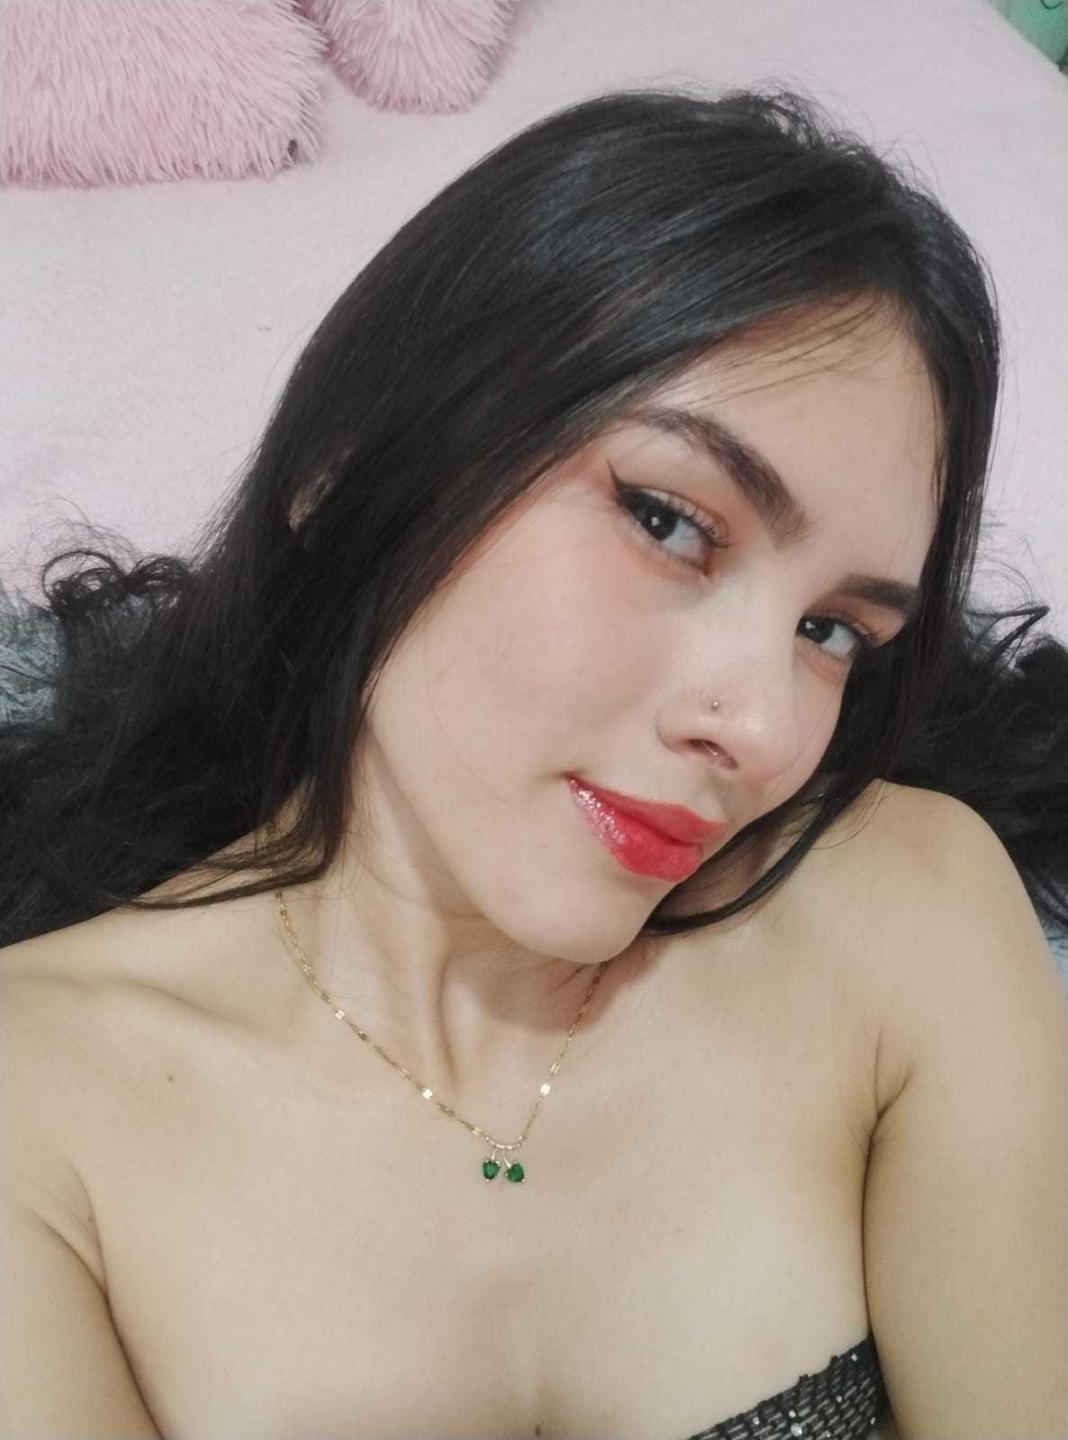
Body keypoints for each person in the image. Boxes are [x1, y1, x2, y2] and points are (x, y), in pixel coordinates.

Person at [1, 84, 1066, 1440]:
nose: (759, 728)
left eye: (832, 632)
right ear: (349, 463)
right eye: (669, 521)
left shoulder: (905, 918)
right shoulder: (37, 1111)